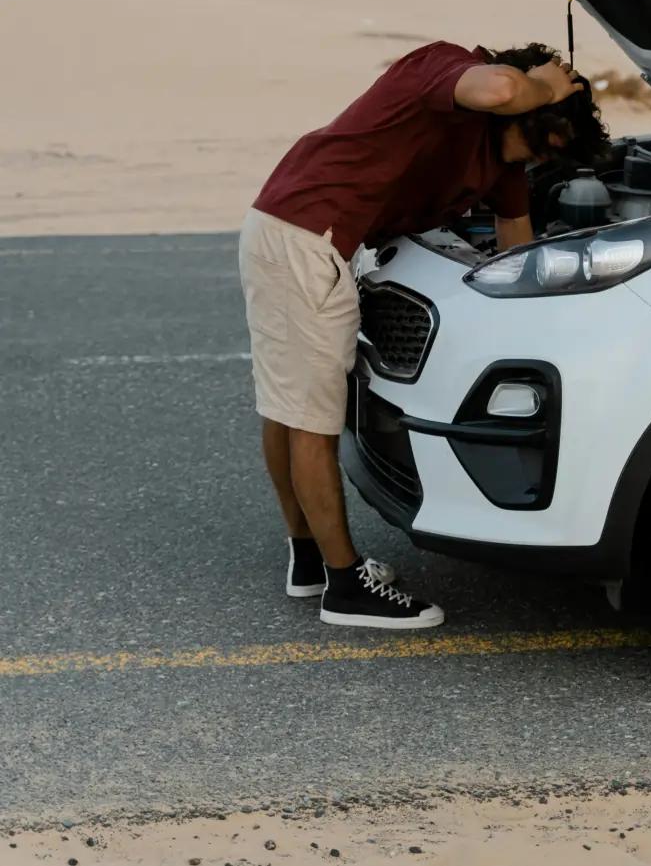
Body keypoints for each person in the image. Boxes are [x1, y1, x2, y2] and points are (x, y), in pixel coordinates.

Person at [238, 40, 610, 629]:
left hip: (302, 235)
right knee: (310, 421)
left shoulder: (503, 162)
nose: (533, 162)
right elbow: (503, 89)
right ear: (529, 108)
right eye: (539, 140)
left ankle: (310, 562)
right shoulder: (442, 65)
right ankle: (345, 588)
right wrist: (544, 82)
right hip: (304, 237)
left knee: (289, 408)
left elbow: (518, 248)